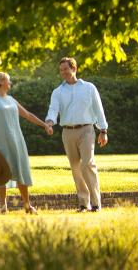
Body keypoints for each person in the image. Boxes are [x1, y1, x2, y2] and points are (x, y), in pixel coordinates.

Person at [0, 71, 54, 214]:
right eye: (8, 80)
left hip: (16, 140)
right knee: (0, 171)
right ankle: (3, 206)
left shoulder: (11, 99)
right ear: (1, 81)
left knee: (21, 170)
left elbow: (27, 115)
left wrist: (45, 125)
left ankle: (27, 205)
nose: (10, 82)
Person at [45, 57, 108, 213]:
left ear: (74, 68)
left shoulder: (89, 88)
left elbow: (98, 109)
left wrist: (103, 130)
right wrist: (50, 122)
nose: (63, 73)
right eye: (61, 70)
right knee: (75, 167)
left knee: (87, 164)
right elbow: (53, 109)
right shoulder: (58, 92)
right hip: (67, 132)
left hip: (87, 130)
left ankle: (95, 203)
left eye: (66, 69)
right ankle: (83, 203)